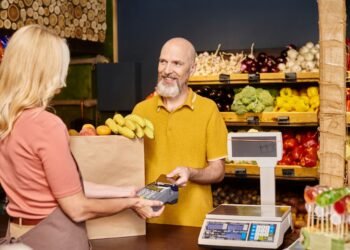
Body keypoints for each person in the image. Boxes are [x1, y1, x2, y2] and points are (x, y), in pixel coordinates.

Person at [0, 24, 164, 249]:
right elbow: (76, 208)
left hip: (18, 235)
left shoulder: (6, 121)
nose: (63, 81)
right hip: (52, 238)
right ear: (44, 72)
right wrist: (131, 203)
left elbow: (63, 187)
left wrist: (126, 191)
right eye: (59, 69)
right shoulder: (46, 124)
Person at [132, 37, 228, 227]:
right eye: (163, 62)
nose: (167, 70)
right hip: (147, 223)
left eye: (177, 63)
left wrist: (190, 172)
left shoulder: (208, 110)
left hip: (193, 225)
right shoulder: (140, 111)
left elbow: (218, 171)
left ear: (191, 69)